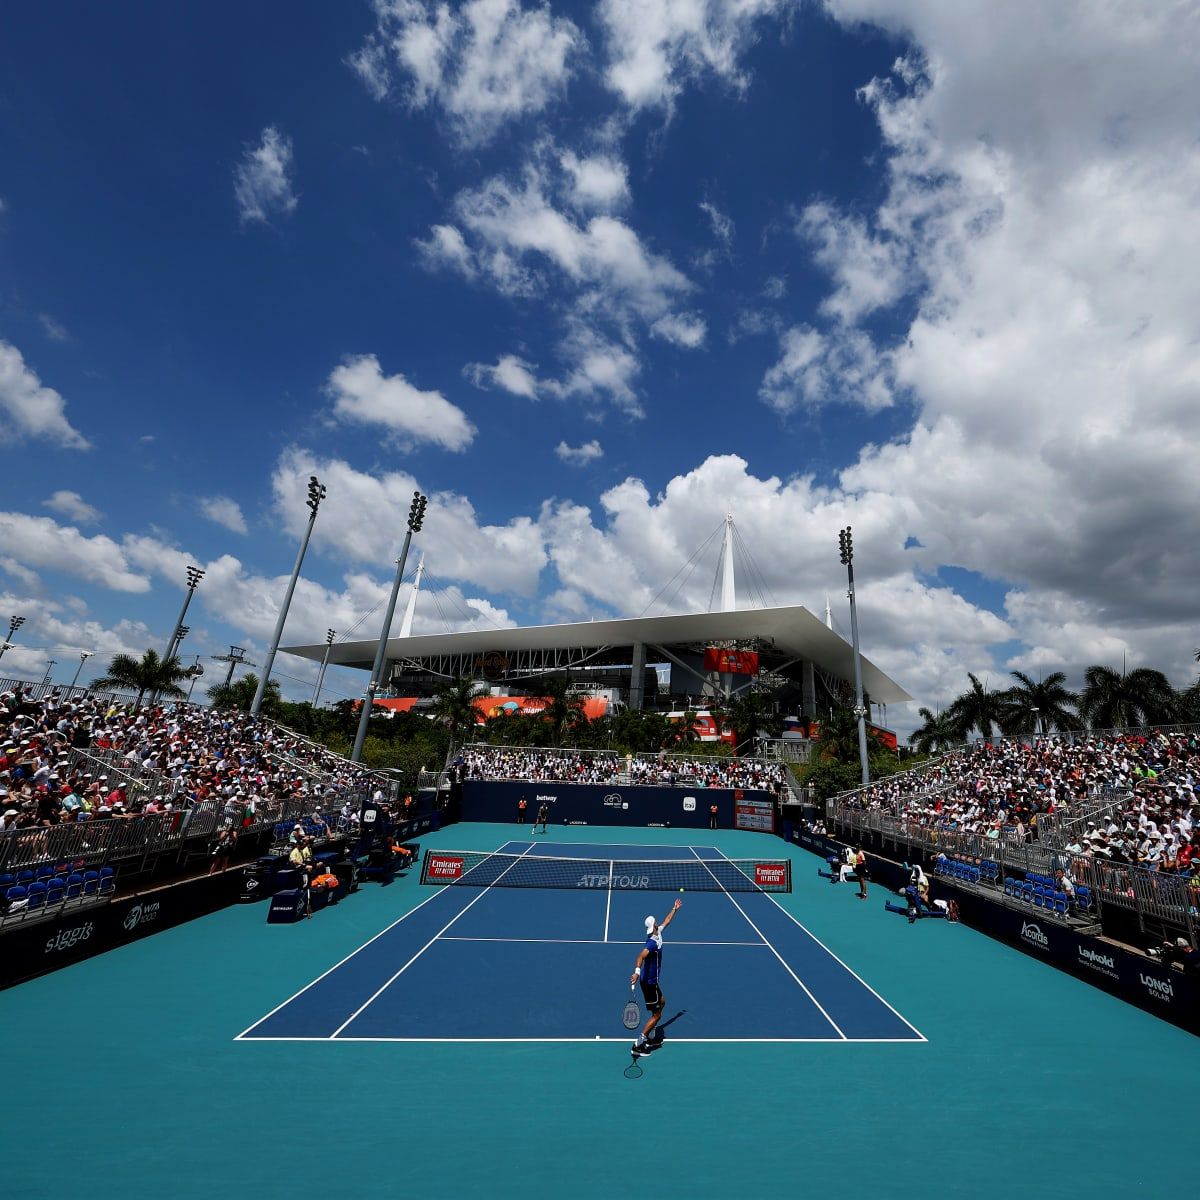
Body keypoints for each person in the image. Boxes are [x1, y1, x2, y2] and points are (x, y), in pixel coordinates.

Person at [629, 899, 682, 1055]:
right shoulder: (651, 943)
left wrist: (675, 909)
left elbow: (667, 921)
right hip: (648, 983)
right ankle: (639, 1044)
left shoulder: (658, 931)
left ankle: (651, 1029)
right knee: (657, 1015)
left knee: (662, 1001)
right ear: (654, 926)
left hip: (653, 981)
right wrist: (637, 972)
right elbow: (640, 956)